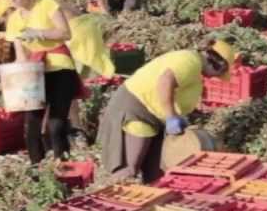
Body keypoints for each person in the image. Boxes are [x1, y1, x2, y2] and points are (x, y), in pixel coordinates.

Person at [99, 40, 234, 183]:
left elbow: (177, 93)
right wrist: (171, 117)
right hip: (137, 110)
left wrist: (180, 116)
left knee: (156, 173)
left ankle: (148, 200)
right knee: (129, 169)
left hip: (153, 117)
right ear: (217, 63)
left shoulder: (195, 67)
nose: (216, 77)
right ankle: (114, 200)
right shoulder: (190, 62)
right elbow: (165, 82)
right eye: (220, 73)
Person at [2, 0, 80, 165]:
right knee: (31, 126)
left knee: (56, 124)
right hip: (35, 73)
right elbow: (21, 55)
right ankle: (37, 168)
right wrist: (17, 77)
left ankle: (62, 164)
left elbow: (65, 32)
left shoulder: (47, 3)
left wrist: (39, 33)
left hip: (60, 68)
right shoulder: (13, 20)